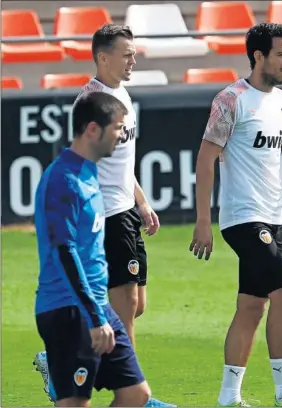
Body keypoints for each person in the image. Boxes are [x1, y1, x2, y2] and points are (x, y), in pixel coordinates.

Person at [33, 24, 175, 408]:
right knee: (125, 303)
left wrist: (141, 201)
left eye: (133, 53)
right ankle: (130, 391)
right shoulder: (92, 102)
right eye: (126, 54)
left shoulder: (120, 95)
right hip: (106, 214)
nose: (133, 60)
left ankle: (57, 360)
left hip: (125, 209)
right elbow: (87, 162)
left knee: (136, 303)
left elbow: (123, 162)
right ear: (103, 57)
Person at [189, 23, 282, 408]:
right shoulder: (231, 99)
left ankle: (229, 398)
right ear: (258, 56)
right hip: (243, 218)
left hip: (272, 218)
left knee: (252, 306)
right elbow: (207, 156)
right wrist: (203, 221)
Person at [34, 91, 152, 407]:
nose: (122, 137)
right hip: (69, 310)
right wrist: (94, 316)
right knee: (75, 404)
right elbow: (64, 252)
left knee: (136, 394)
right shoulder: (63, 180)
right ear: (92, 130)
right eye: (117, 129)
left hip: (97, 307)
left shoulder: (90, 171)